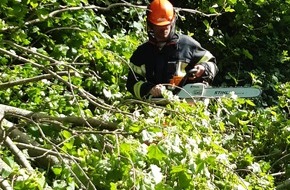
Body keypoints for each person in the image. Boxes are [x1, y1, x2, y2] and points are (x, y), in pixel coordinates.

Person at [126, 0, 218, 99]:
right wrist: (149, 89)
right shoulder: (142, 53)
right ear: (151, 25)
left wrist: (204, 68)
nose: (164, 30)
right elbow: (132, 83)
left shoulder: (187, 45)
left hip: (185, 103)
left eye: (166, 26)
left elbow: (212, 63)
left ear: (172, 22)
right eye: (159, 27)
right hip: (154, 105)